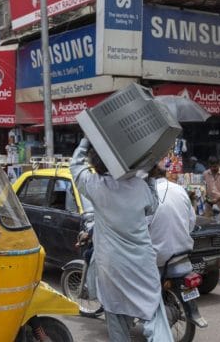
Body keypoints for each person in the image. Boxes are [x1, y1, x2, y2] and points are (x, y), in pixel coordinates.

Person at [70, 138, 173, 342]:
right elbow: (152, 207)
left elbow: (75, 166)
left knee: (117, 321)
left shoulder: (95, 186)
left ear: (97, 166)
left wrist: (86, 140)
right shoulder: (139, 186)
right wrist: (148, 175)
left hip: (112, 268)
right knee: (153, 314)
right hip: (141, 266)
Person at [147, 158, 196, 276]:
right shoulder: (180, 190)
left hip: (158, 260)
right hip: (183, 253)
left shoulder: (146, 195)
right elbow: (191, 222)